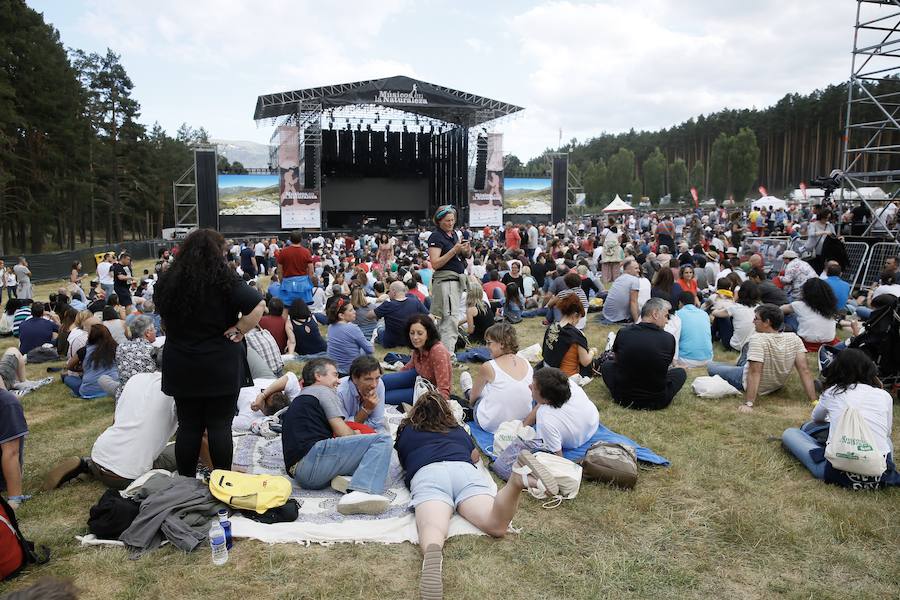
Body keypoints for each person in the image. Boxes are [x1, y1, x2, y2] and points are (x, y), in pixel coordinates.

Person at [396, 390, 557, 600]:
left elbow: (403, 461)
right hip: (464, 471)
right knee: (496, 526)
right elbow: (473, 457)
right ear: (446, 412)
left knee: (432, 527)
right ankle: (517, 481)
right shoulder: (457, 429)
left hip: (429, 473)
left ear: (416, 412)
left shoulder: (407, 430)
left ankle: (433, 553)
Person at [154, 228, 265, 477]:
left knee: (188, 426)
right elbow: (258, 303)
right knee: (219, 427)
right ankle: (224, 480)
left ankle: (185, 481)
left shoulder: (167, 281)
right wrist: (240, 329)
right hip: (219, 363)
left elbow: (161, 315)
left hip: (181, 361)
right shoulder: (225, 281)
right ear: (218, 253)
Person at [281, 358, 393, 515]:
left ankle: (347, 481)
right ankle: (361, 493)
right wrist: (357, 435)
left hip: (302, 472)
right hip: (310, 460)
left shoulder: (306, 395)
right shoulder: (323, 391)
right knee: (383, 440)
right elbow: (343, 433)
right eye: (334, 375)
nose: (338, 381)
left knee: (374, 456)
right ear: (318, 376)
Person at [781, 349, 898, 489]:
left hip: (835, 472)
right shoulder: (883, 396)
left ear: (837, 369)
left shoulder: (833, 392)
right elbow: (887, 432)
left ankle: (827, 450)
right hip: (880, 474)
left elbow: (816, 419)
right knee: (886, 441)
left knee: (793, 432)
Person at [42, 372, 179, 491]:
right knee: (185, 448)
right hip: (127, 477)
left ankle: (87, 465)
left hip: (99, 456)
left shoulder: (136, 379)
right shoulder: (180, 391)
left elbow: (115, 419)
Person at [707, 304, 818, 412]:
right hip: (776, 384)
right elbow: (804, 370)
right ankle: (738, 365)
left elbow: (754, 372)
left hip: (750, 381)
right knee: (745, 351)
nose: (753, 321)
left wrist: (749, 403)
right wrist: (814, 400)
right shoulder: (794, 338)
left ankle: (737, 367)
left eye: (756, 319)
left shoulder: (758, 339)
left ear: (767, 322)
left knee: (711, 366)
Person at [601, 298, 687, 410]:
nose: (667, 321)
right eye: (666, 316)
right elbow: (664, 368)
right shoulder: (668, 339)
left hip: (623, 397)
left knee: (607, 365)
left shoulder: (623, 333)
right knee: (680, 372)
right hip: (656, 401)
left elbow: (617, 360)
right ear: (655, 314)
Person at [459, 323, 533, 432]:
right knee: (497, 389)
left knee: (477, 394)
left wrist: (472, 400)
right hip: (520, 422)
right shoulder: (526, 363)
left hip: (491, 424)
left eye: (489, 343)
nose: (486, 347)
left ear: (502, 344)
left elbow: (473, 400)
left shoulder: (489, 366)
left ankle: (467, 390)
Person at [523, 367, 599, 454]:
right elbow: (542, 402)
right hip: (593, 424)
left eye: (534, 388)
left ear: (547, 400)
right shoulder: (566, 384)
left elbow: (557, 458)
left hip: (576, 441)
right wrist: (523, 426)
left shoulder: (545, 419)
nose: (529, 386)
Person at [382, 314, 453, 405]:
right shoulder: (418, 348)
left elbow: (443, 387)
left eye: (420, 333)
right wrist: (396, 379)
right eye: (412, 333)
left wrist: (439, 405)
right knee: (383, 381)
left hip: (429, 391)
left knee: (386, 397)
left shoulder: (438, 351)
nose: (415, 337)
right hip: (419, 378)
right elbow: (408, 367)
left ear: (428, 334)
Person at [428, 205, 470, 352]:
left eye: (452, 220)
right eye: (447, 220)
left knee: (448, 319)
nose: (451, 223)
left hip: (455, 281)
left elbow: (457, 257)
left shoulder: (454, 235)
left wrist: (465, 251)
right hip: (446, 281)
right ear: (439, 221)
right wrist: (454, 250)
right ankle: (448, 354)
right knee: (450, 319)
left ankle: (441, 351)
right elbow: (435, 263)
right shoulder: (436, 237)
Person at [540, 294, 595, 377]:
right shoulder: (576, 335)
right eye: (579, 318)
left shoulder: (552, 327)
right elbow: (585, 361)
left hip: (547, 371)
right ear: (575, 315)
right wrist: (592, 352)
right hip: (564, 378)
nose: (578, 322)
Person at [105, 314, 158, 400]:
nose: (155, 331)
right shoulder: (154, 351)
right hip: (147, 395)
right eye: (154, 329)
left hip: (124, 395)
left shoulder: (121, 347)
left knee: (103, 379)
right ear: (147, 333)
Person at [782, 278, 839, 351]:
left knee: (790, 316)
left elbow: (780, 310)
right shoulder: (830, 307)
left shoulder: (799, 305)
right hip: (829, 342)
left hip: (806, 343)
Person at [63, 324, 119, 399]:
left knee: (67, 378)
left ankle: (77, 392)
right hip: (113, 387)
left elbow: (69, 366)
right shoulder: (116, 348)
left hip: (89, 391)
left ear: (90, 336)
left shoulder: (84, 350)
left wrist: (82, 370)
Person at [326, 295, 373, 376]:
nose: (354, 311)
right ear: (341, 315)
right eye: (351, 310)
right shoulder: (352, 328)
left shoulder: (330, 327)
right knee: (367, 349)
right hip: (350, 371)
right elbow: (370, 350)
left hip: (334, 369)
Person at [336, 355, 386, 430]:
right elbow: (344, 429)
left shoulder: (379, 384)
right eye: (368, 379)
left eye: (377, 378)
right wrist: (366, 409)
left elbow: (377, 422)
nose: (374, 385)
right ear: (355, 378)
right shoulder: (339, 393)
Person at [711, 280, 760, 354]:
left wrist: (715, 308)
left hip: (735, 346)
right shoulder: (759, 308)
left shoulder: (735, 308)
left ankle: (712, 337)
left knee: (722, 317)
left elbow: (716, 314)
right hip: (751, 346)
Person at [375, 280, 428, 348]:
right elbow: (430, 317)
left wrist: (377, 300)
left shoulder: (388, 305)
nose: (388, 294)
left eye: (389, 291)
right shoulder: (415, 301)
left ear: (394, 291)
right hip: (410, 340)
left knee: (380, 326)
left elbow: (370, 315)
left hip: (391, 342)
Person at [0, 388, 28, 509]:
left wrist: (14, 498)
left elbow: (11, 452)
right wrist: (14, 498)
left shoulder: (6, 403)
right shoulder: (7, 403)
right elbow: (11, 452)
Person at [275, 230, 315, 306]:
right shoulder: (306, 252)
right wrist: (308, 281)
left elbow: (279, 270)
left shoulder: (283, 252)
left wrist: (281, 282)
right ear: (301, 239)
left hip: (287, 283)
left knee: (285, 308)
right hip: (303, 283)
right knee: (303, 307)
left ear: (290, 239)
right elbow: (311, 270)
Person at [674, 292, 713, 367]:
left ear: (680, 303)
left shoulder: (677, 315)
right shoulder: (704, 314)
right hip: (708, 358)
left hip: (686, 359)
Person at [601, 258, 641, 323]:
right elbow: (633, 302)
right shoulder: (634, 280)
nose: (639, 270)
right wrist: (637, 322)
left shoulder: (619, 278)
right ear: (628, 269)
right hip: (619, 318)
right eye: (636, 268)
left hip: (606, 314)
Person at [462, 276, 494, 345]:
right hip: (490, 334)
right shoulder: (484, 304)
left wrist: (463, 332)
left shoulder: (470, 309)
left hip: (480, 337)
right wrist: (459, 323)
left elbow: (470, 331)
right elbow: (476, 317)